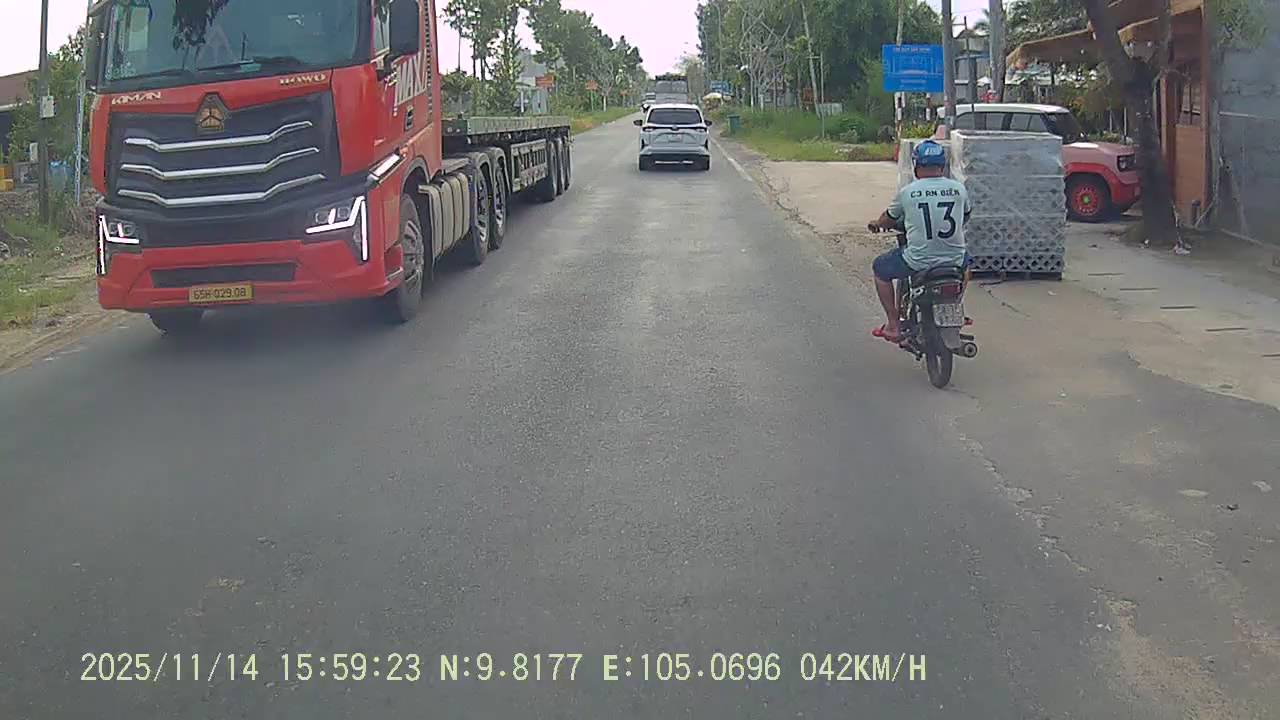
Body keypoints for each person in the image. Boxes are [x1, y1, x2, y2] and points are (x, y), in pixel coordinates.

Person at [866, 140, 973, 343]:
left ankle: (893, 325)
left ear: (916, 166)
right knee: (967, 264)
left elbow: (888, 218)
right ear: (942, 166)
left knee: (880, 268)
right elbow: (965, 216)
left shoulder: (908, 192)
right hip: (954, 260)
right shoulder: (959, 189)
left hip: (918, 260)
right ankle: (954, 307)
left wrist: (877, 224)